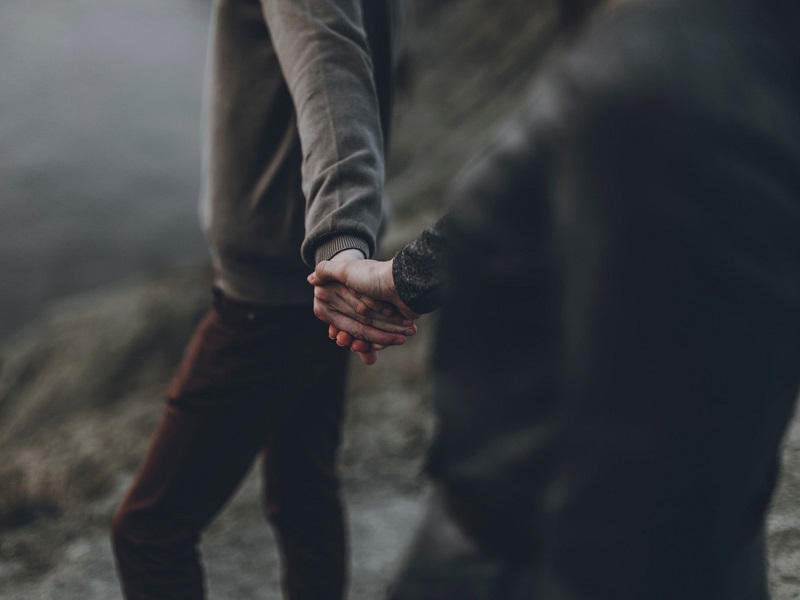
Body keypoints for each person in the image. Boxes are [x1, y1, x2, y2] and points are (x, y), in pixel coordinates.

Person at [309, 0, 800, 597]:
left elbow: (641, 501)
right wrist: (404, 280)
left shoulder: (663, 85)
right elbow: (555, 171)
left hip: (533, 563)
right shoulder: (704, 51)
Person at [111, 1, 408, 599]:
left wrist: (340, 242)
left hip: (278, 292)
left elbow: (331, 72)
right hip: (317, 281)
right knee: (304, 491)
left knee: (148, 533)